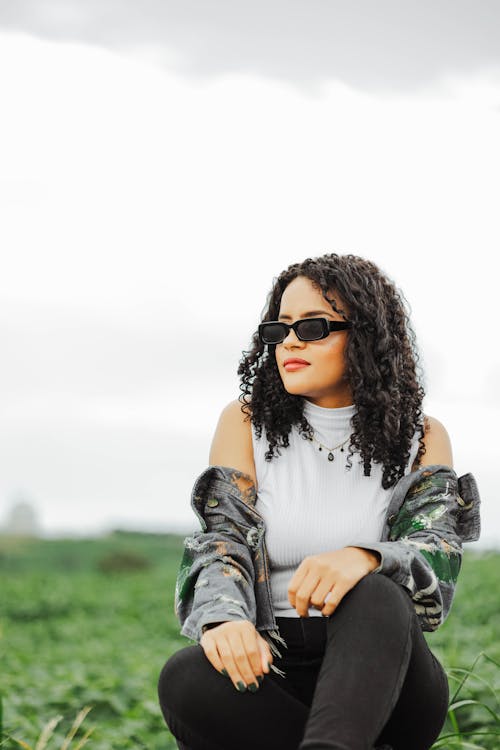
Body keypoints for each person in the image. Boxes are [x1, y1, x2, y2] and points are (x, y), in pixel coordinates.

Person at [157, 253, 481, 750]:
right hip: (276, 666)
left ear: (366, 337)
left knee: (375, 592)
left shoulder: (422, 437)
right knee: (185, 676)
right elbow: (223, 539)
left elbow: (436, 556)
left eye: (311, 327)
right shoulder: (244, 423)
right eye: (279, 328)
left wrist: (366, 557)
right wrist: (224, 617)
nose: (288, 341)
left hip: (383, 671)